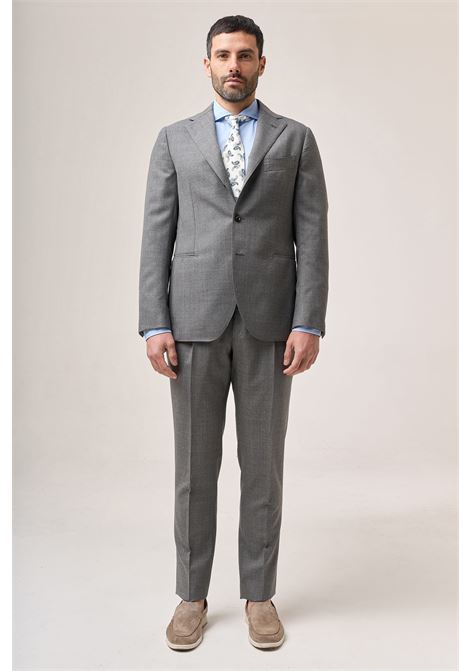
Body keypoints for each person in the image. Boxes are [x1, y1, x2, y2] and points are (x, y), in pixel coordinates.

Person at [138, 14, 329, 650]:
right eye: (223, 55)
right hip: (192, 322)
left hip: (270, 325)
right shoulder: (174, 140)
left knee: (263, 467)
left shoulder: (295, 139)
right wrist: (155, 322)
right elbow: (156, 236)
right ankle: (191, 596)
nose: (234, 66)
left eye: (245, 55)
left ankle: (260, 596)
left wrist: (307, 320)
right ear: (207, 64)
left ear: (261, 64)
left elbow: (313, 236)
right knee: (194, 469)